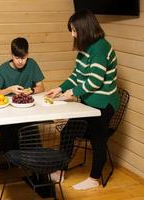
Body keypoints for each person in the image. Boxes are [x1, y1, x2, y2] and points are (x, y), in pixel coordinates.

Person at [47, 9, 119, 190]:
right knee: (67, 132)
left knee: (98, 140)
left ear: (85, 28)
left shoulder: (100, 48)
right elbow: (77, 75)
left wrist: (73, 93)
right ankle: (60, 170)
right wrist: (60, 88)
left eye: (74, 30)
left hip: (103, 104)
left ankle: (94, 178)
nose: (72, 34)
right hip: (88, 103)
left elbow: (95, 81)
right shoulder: (85, 48)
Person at [0, 37, 45, 152]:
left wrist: (31, 90)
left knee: (31, 133)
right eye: (17, 58)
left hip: (28, 109)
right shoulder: (2, 69)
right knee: (8, 132)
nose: (20, 61)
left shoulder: (32, 64)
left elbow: (41, 87)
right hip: (7, 111)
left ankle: (34, 160)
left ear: (28, 54)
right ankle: (10, 159)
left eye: (23, 58)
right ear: (11, 55)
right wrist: (10, 89)